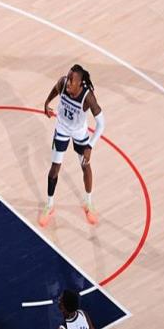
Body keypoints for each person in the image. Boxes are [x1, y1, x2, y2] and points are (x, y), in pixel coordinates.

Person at [39, 65, 105, 228]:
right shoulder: (62, 83)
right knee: (55, 168)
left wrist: (90, 146)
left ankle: (88, 203)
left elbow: (101, 123)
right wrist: (47, 102)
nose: (68, 82)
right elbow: (55, 89)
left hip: (79, 132)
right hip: (62, 128)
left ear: (80, 83)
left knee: (85, 166)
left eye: (72, 80)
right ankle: (49, 205)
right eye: (68, 78)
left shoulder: (88, 97)